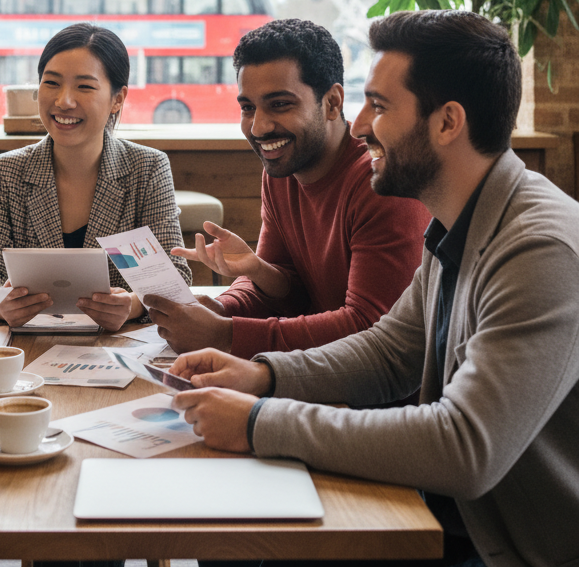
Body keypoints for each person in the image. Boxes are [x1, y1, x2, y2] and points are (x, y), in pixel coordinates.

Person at [171, 10, 579, 567]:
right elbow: (389, 350)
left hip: (505, 547)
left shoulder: (541, 249)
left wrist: (259, 419)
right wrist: (262, 374)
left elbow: (464, 448)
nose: (360, 127)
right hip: (445, 511)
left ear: (447, 122)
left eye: (380, 106)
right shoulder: (459, 225)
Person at [146, 18, 430, 356]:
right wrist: (220, 308)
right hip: (313, 379)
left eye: (280, 104)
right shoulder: (282, 170)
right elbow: (286, 290)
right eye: (247, 107)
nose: (259, 126)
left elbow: (370, 326)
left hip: (379, 402)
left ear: (333, 103)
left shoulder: (381, 182)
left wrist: (227, 334)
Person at [0, 23, 191, 330]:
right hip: (26, 354)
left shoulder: (147, 169)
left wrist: (131, 306)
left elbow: (174, 278)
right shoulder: (5, 172)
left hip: (115, 349)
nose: (64, 101)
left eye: (84, 86)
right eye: (51, 83)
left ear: (117, 99)